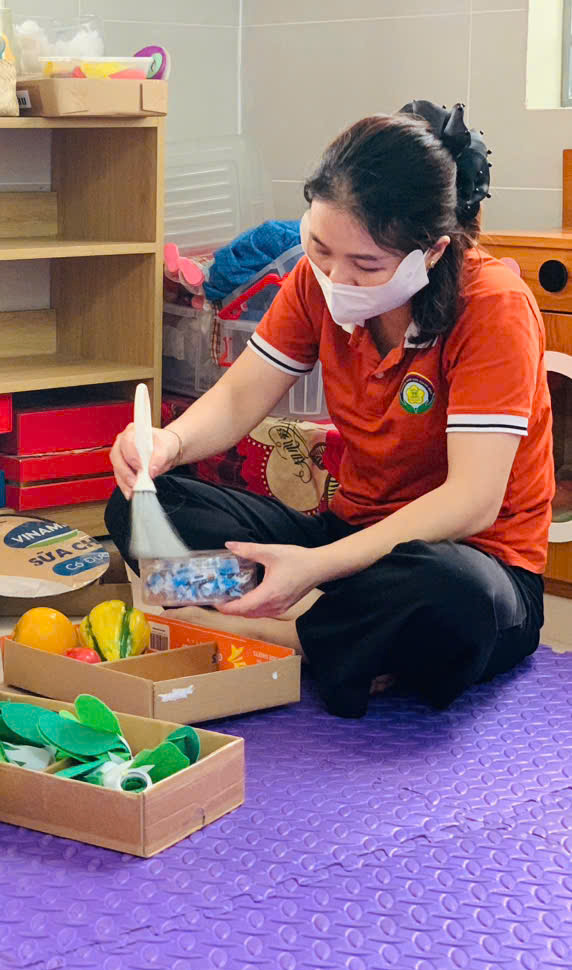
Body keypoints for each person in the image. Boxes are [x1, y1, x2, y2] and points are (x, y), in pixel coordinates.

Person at [107, 101, 553, 718]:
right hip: (348, 542)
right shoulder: (315, 280)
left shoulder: (493, 306)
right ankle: (335, 633)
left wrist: (313, 567)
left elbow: (471, 502)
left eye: (366, 265)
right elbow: (239, 396)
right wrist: (167, 444)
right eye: (319, 248)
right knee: (142, 505)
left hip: (469, 560)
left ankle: (284, 632)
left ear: (431, 252)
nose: (336, 277)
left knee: (453, 598)